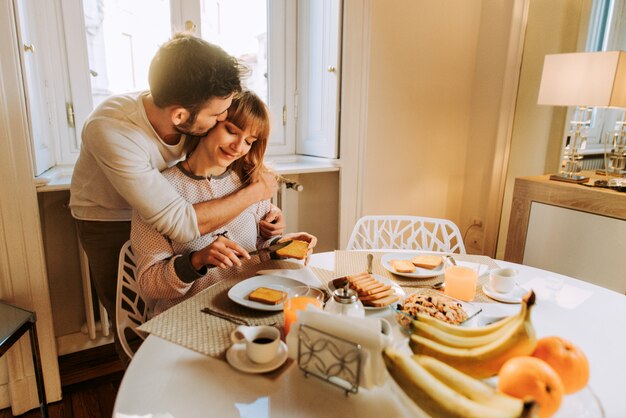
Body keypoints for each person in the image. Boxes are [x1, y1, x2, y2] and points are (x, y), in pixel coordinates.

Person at [69, 34, 284, 361]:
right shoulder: (111, 128)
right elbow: (181, 224)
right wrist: (256, 192)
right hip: (107, 216)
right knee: (128, 311)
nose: (223, 119)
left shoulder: (191, 121)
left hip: (173, 202)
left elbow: (206, 187)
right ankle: (138, 382)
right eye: (219, 118)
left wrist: (267, 220)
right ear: (182, 117)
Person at [131, 91, 316, 315]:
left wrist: (281, 246)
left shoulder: (251, 182)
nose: (238, 147)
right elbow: (150, 283)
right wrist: (196, 261)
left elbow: (259, 250)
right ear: (208, 123)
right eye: (231, 131)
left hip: (250, 308)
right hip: (191, 315)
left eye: (249, 141)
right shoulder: (158, 191)